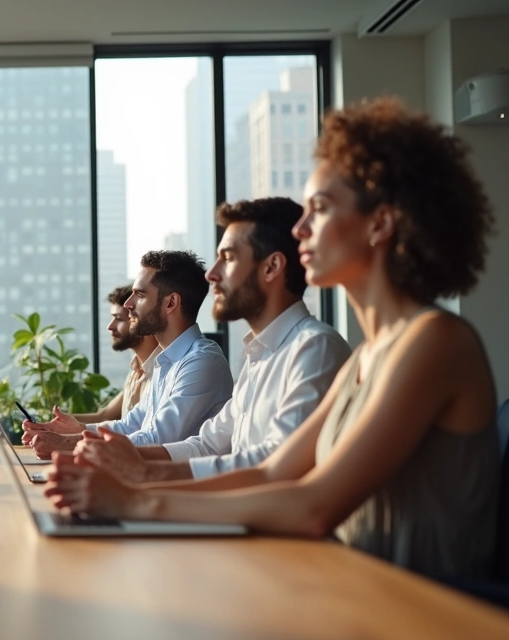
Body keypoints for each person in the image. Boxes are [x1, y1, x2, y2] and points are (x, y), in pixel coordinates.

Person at [45, 98, 499, 579]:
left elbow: (313, 504)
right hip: (355, 588)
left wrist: (136, 500)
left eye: (319, 209)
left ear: (380, 224)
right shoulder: (368, 355)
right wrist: (137, 480)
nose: (301, 229)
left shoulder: (433, 340)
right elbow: (273, 472)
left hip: (417, 606)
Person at [81, 198, 351, 482]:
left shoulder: (314, 348)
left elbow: (274, 466)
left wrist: (143, 473)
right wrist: (117, 456)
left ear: (271, 267)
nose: (212, 274)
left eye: (228, 258)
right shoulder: (260, 355)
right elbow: (207, 445)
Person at [23, 250, 233, 455]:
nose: (128, 304)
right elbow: (130, 425)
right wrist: (77, 430)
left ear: (170, 303)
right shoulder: (165, 361)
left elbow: (157, 438)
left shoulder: (202, 361)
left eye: (140, 295)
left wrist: (68, 443)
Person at [68, 284, 161, 424]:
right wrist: (49, 422)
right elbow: (104, 416)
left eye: (119, 319)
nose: (110, 326)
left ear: (139, 320)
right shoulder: (136, 371)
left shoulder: (162, 372)